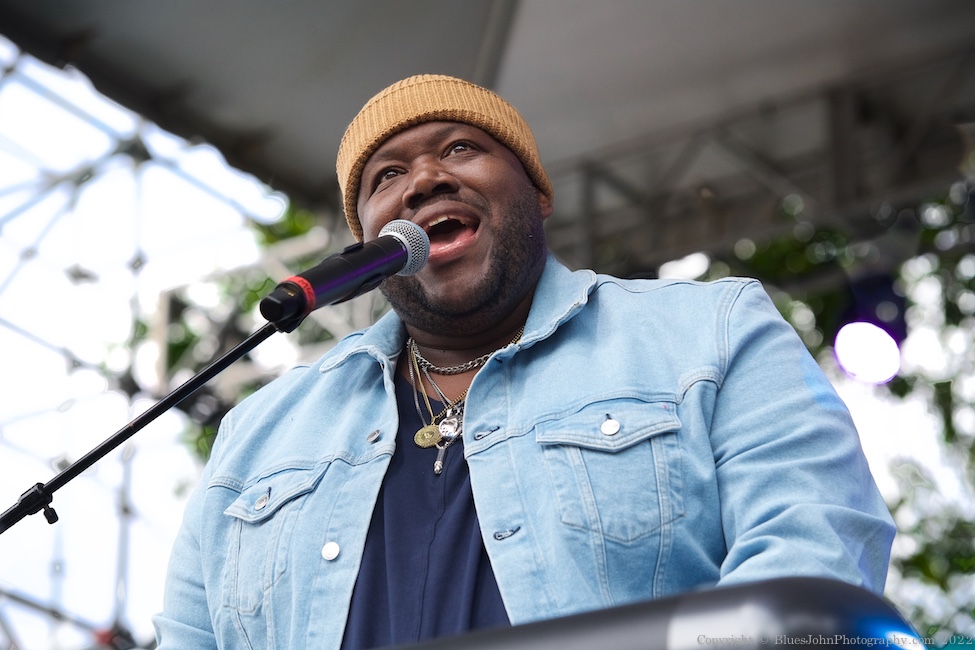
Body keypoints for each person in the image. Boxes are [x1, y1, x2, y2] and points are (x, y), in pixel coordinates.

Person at [153, 74, 895, 649]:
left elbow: (814, 564)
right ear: (366, 245)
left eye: (460, 148)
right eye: (385, 176)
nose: (423, 180)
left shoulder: (707, 332)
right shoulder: (256, 439)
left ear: (535, 192)